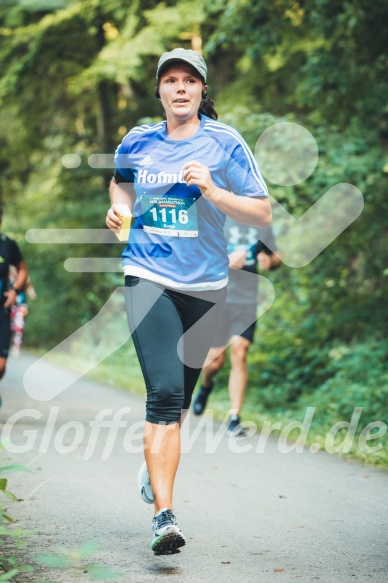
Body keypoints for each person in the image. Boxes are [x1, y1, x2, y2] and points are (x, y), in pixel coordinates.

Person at [106, 48, 271, 555]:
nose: (180, 88)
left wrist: (215, 193)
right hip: (147, 276)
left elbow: (262, 212)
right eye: (170, 81)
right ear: (158, 91)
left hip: (204, 286)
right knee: (162, 395)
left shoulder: (225, 143)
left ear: (202, 91)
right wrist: (119, 211)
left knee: (175, 400)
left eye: (189, 81)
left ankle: (151, 469)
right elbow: (120, 183)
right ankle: (165, 516)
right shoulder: (139, 141)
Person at [192, 218, 281, 433]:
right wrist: (226, 260)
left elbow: (276, 256)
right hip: (217, 298)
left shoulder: (260, 223)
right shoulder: (216, 218)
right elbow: (196, 257)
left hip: (246, 301)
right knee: (214, 362)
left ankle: (234, 417)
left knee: (240, 352)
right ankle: (206, 386)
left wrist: (270, 261)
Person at [0, 207, 28, 400]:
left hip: (2, 309)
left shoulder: (7, 244)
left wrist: (15, 291)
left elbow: (22, 270)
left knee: (1, 365)